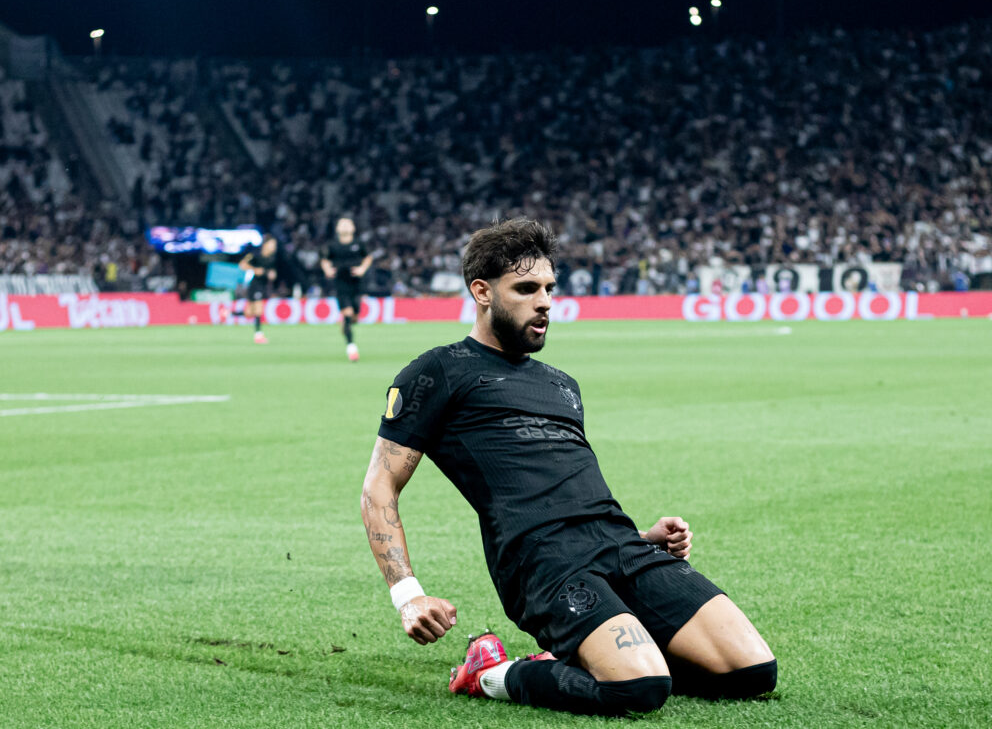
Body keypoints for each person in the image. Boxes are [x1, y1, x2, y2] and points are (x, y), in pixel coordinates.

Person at [360, 219, 776, 716]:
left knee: (752, 672)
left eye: (550, 288)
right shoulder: (440, 372)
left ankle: (598, 653)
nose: (544, 302)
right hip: (543, 563)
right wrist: (408, 595)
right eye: (526, 288)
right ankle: (490, 673)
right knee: (639, 689)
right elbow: (379, 487)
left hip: (620, 546)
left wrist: (642, 538)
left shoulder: (562, 385)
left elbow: (564, 486)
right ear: (482, 292)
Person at [321, 217, 372, 361]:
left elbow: (368, 257)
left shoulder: (358, 243)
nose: (344, 226)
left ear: (353, 228)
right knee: (348, 313)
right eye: (341, 224)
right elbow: (324, 259)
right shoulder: (333, 245)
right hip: (341, 283)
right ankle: (352, 348)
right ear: (337, 229)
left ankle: (346, 323)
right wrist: (327, 269)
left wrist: (362, 268)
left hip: (356, 283)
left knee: (354, 317)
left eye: (347, 224)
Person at [238, 234, 277, 344]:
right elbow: (242, 265)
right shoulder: (255, 254)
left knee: (249, 313)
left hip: (263, 285)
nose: (274, 247)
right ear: (266, 244)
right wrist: (255, 270)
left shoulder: (271, 258)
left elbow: (269, 271)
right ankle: (258, 335)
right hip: (255, 285)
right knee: (259, 310)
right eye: (272, 244)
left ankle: (229, 313)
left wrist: (271, 274)